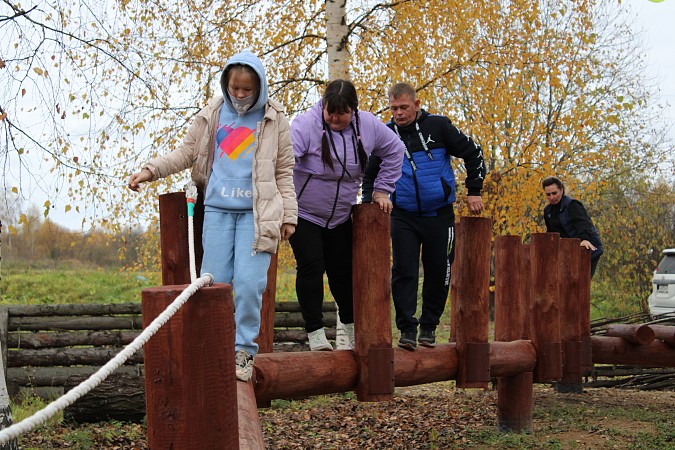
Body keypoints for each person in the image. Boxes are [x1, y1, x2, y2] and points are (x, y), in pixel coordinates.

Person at [128, 50, 297, 382]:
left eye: (246, 89)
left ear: (259, 87)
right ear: (226, 83)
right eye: (234, 87)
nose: (239, 94)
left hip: (257, 216)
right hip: (218, 211)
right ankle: (214, 346)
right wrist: (150, 170)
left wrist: (288, 215)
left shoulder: (275, 119)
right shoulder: (212, 114)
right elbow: (186, 153)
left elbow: (285, 172)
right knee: (213, 284)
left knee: (249, 285)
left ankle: (244, 349)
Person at [362, 82, 486, 351]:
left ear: (416, 105)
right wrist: (368, 208)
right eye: (394, 108)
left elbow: (474, 153)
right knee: (404, 271)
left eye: (404, 107)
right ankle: (407, 328)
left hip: (439, 215)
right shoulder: (385, 134)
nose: (399, 113)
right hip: (403, 216)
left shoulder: (438, 127)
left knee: (439, 271)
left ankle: (429, 326)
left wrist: (474, 190)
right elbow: (369, 176)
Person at [290, 79, 404, 351]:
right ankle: (316, 333)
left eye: (342, 113)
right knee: (312, 266)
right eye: (331, 112)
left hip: (340, 214)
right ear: (324, 107)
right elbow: (284, 161)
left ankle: (351, 331)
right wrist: (280, 201)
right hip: (304, 212)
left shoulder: (367, 125)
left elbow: (395, 149)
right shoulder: (305, 125)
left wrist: (381, 190)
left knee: (342, 273)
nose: (335, 118)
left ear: (354, 110)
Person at [542, 176, 603, 278]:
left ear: (561, 190)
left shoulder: (572, 204)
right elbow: (551, 233)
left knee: (580, 281)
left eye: (554, 193)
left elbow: (584, 223)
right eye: (548, 194)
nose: (552, 197)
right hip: (569, 250)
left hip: (588, 247)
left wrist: (584, 239)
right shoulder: (548, 211)